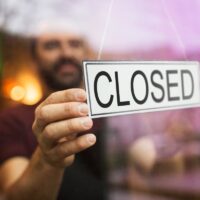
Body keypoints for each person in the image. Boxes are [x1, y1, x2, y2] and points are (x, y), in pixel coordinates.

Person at [0, 32, 106, 200]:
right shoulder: (12, 120)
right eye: (52, 45)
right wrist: (48, 159)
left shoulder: (110, 113)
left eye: (75, 44)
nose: (66, 53)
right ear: (34, 60)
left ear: (85, 54)